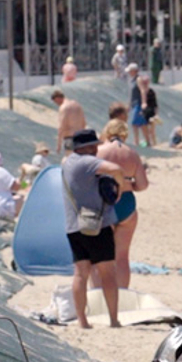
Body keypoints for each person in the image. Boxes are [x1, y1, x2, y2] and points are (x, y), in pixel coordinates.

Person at [60, 128, 124, 329]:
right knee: (108, 273)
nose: (96, 150)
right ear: (86, 148)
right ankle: (113, 319)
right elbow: (115, 169)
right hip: (96, 224)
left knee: (81, 274)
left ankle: (83, 321)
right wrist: (120, 189)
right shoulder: (86, 162)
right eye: (94, 146)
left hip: (73, 226)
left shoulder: (67, 162)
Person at [97, 120, 148, 289]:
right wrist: (128, 184)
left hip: (105, 202)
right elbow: (143, 185)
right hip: (126, 202)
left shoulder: (99, 151)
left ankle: (99, 294)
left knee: (100, 256)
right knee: (122, 257)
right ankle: (122, 296)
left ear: (107, 132)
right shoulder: (132, 154)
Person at [52, 88, 87, 154]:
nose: (57, 104)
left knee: (70, 158)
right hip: (80, 138)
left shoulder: (63, 107)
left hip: (70, 138)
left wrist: (58, 145)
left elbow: (61, 127)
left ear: (57, 98)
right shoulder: (77, 105)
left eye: (56, 102)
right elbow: (84, 123)